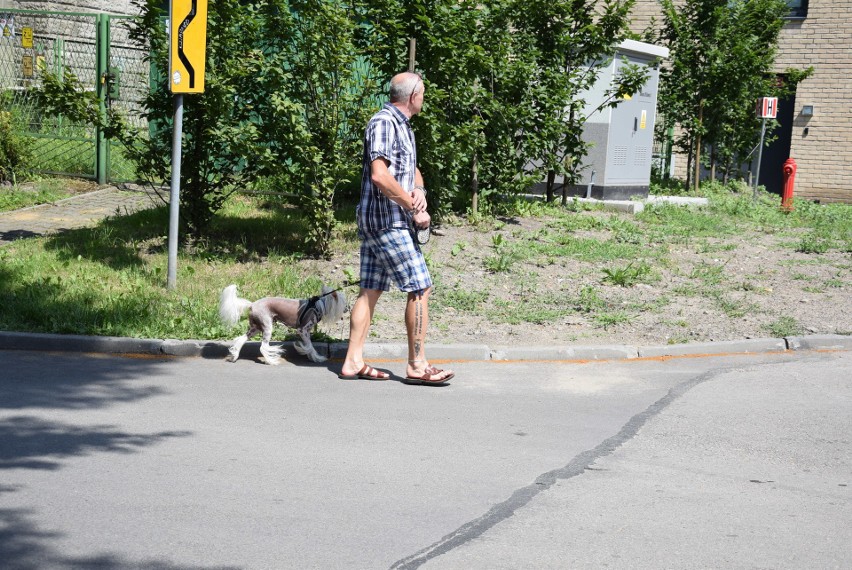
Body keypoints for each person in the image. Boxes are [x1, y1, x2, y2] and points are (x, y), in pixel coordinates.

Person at [338, 72, 455, 385]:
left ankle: (352, 361)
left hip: (385, 218)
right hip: (386, 220)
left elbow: (409, 167)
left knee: (370, 289)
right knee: (420, 286)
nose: (424, 98)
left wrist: (419, 190)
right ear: (413, 95)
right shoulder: (384, 122)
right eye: (424, 92)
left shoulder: (403, 127)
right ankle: (417, 365)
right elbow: (379, 175)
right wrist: (412, 208)